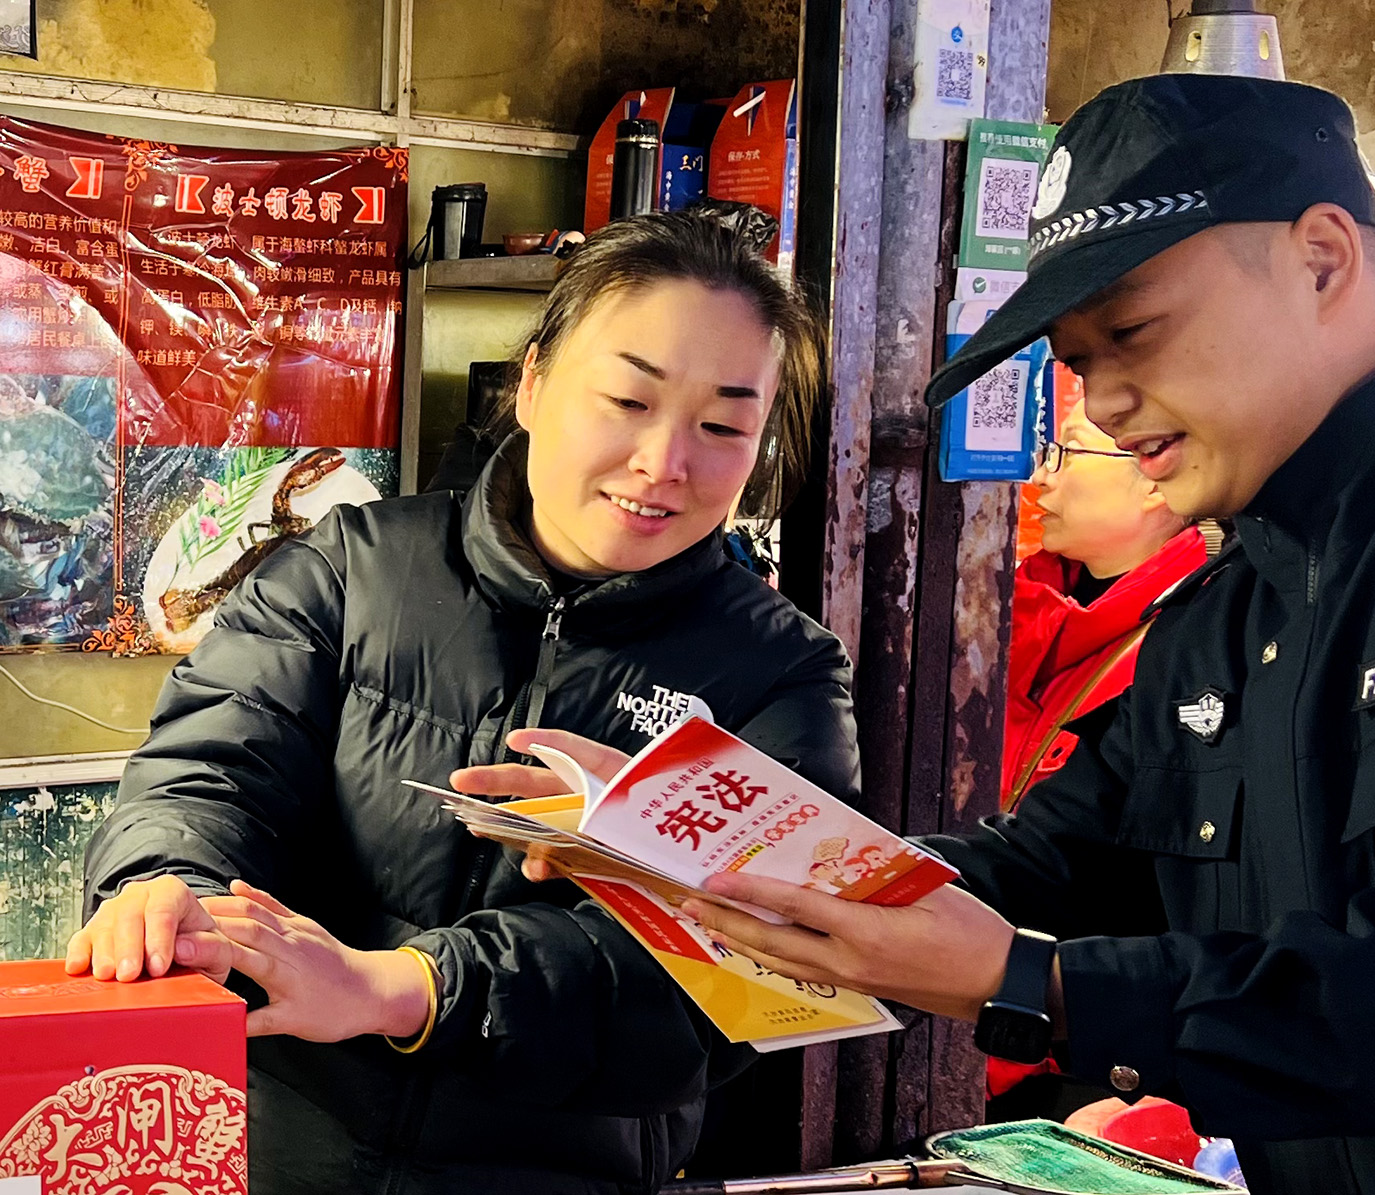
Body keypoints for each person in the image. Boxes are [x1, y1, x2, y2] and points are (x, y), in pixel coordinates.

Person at [670, 76, 1375, 1195]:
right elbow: (1053, 866)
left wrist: (1038, 983)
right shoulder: (1220, 615)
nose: (1102, 403)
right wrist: (711, 861)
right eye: (1078, 360)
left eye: (1131, 332)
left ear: (1322, 260)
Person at [67, 212, 860, 1195]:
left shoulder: (780, 673)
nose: (664, 462)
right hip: (272, 1145)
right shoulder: (350, 570)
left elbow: (729, 987)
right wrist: (163, 880)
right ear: (532, 383)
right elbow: (209, 773)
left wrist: (415, 987)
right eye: (628, 399)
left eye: (723, 426)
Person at [1003, 410, 1210, 810]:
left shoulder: (1189, 644)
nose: (1041, 476)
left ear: (1154, 482)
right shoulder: (1018, 604)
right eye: (1050, 451)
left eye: (1068, 452)